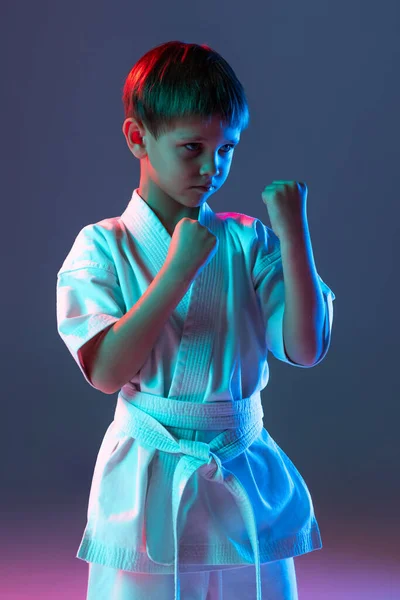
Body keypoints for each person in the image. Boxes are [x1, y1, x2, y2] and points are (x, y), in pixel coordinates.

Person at [56, 40, 336, 600]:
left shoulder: (248, 241)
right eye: (192, 147)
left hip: (240, 466)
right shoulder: (102, 246)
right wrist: (177, 273)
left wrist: (293, 238)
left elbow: (305, 348)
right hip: (149, 473)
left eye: (227, 148)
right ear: (138, 137)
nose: (213, 167)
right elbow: (107, 372)